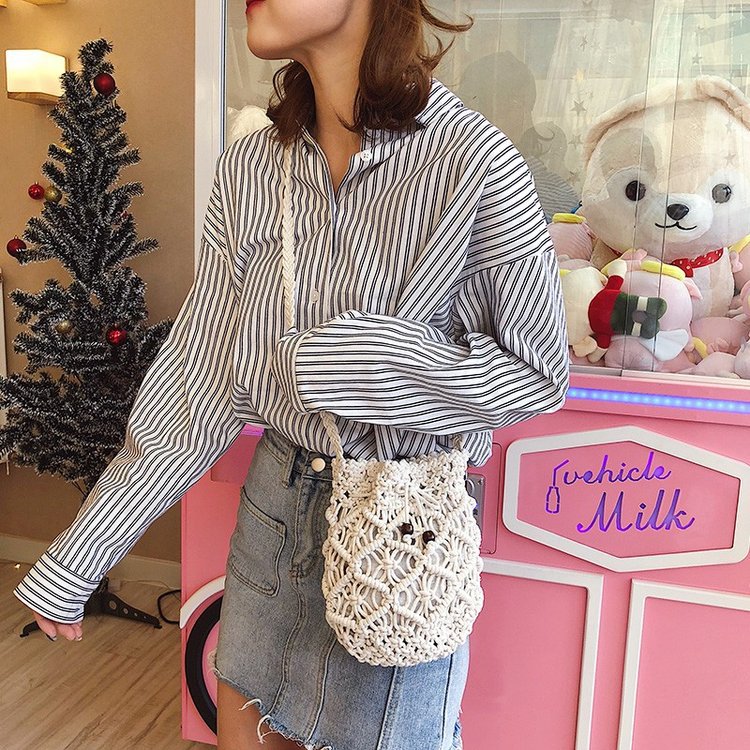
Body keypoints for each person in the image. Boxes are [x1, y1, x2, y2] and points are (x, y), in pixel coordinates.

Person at [13, 1, 570, 748]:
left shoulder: (476, 164)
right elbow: (199, 377)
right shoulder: (249, 168)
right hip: (273, 511)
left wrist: (361, 363)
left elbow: (538, 373)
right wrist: (82, 555)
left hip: (400, 532)